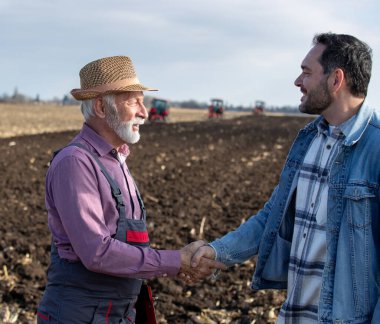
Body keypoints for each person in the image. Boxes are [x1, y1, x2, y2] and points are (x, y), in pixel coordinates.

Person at [191, 33, 380, 323]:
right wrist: (217, 252)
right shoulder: (309, 139)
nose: (297, 82)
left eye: (306, 72)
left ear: (336, 79)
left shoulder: (376, 149)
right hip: (293, 315)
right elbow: (273, 217)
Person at [36, 55, 225, 323]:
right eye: (133, 101)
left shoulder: (117, 159)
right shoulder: (75, 163)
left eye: (143, 101)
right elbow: (96, 253)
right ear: (101, 107)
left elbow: (126, 244)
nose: (144, 112)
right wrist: (174, 261)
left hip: (119, 312)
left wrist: (176, 264)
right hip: (80, 315)